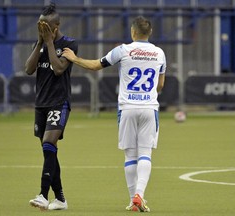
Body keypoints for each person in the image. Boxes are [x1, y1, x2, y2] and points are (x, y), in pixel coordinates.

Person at [62, 16, 166, 212]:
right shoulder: (159, 53)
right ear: (149, 33)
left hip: (127, 108)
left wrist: (74, 59)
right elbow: (160, 84)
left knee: (130, 155)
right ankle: (139, 196)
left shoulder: (123, 50)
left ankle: (132, 200)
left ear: (133, 32)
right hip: (149, 107)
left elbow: (95, 65)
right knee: (145, 153)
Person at [25, 3, 78, 211]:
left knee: (49, 143)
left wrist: (48, 43)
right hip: (41, 104)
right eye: (39, 25)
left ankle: (42, 195)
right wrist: (40, 42)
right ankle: (61, 199)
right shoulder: (38, 44)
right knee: (49, 151)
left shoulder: (69, 44)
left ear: (56, 26)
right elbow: (29, 69)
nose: (42, 28)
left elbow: (58, 69)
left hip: (59, 101)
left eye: (45, 26)